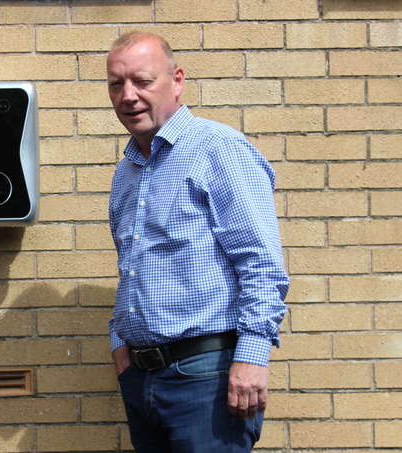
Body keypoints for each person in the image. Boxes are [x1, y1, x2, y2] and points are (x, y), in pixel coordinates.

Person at [106, 32, 289, 452]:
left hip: (206, 379)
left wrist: (253, 356)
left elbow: (261, 265)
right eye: (117, 84)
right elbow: (130, 268)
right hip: (142, 378)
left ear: (177, 79)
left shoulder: (218, 150)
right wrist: (121, 345)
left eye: (142, 81)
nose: (128, 96)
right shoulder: (128, 170)